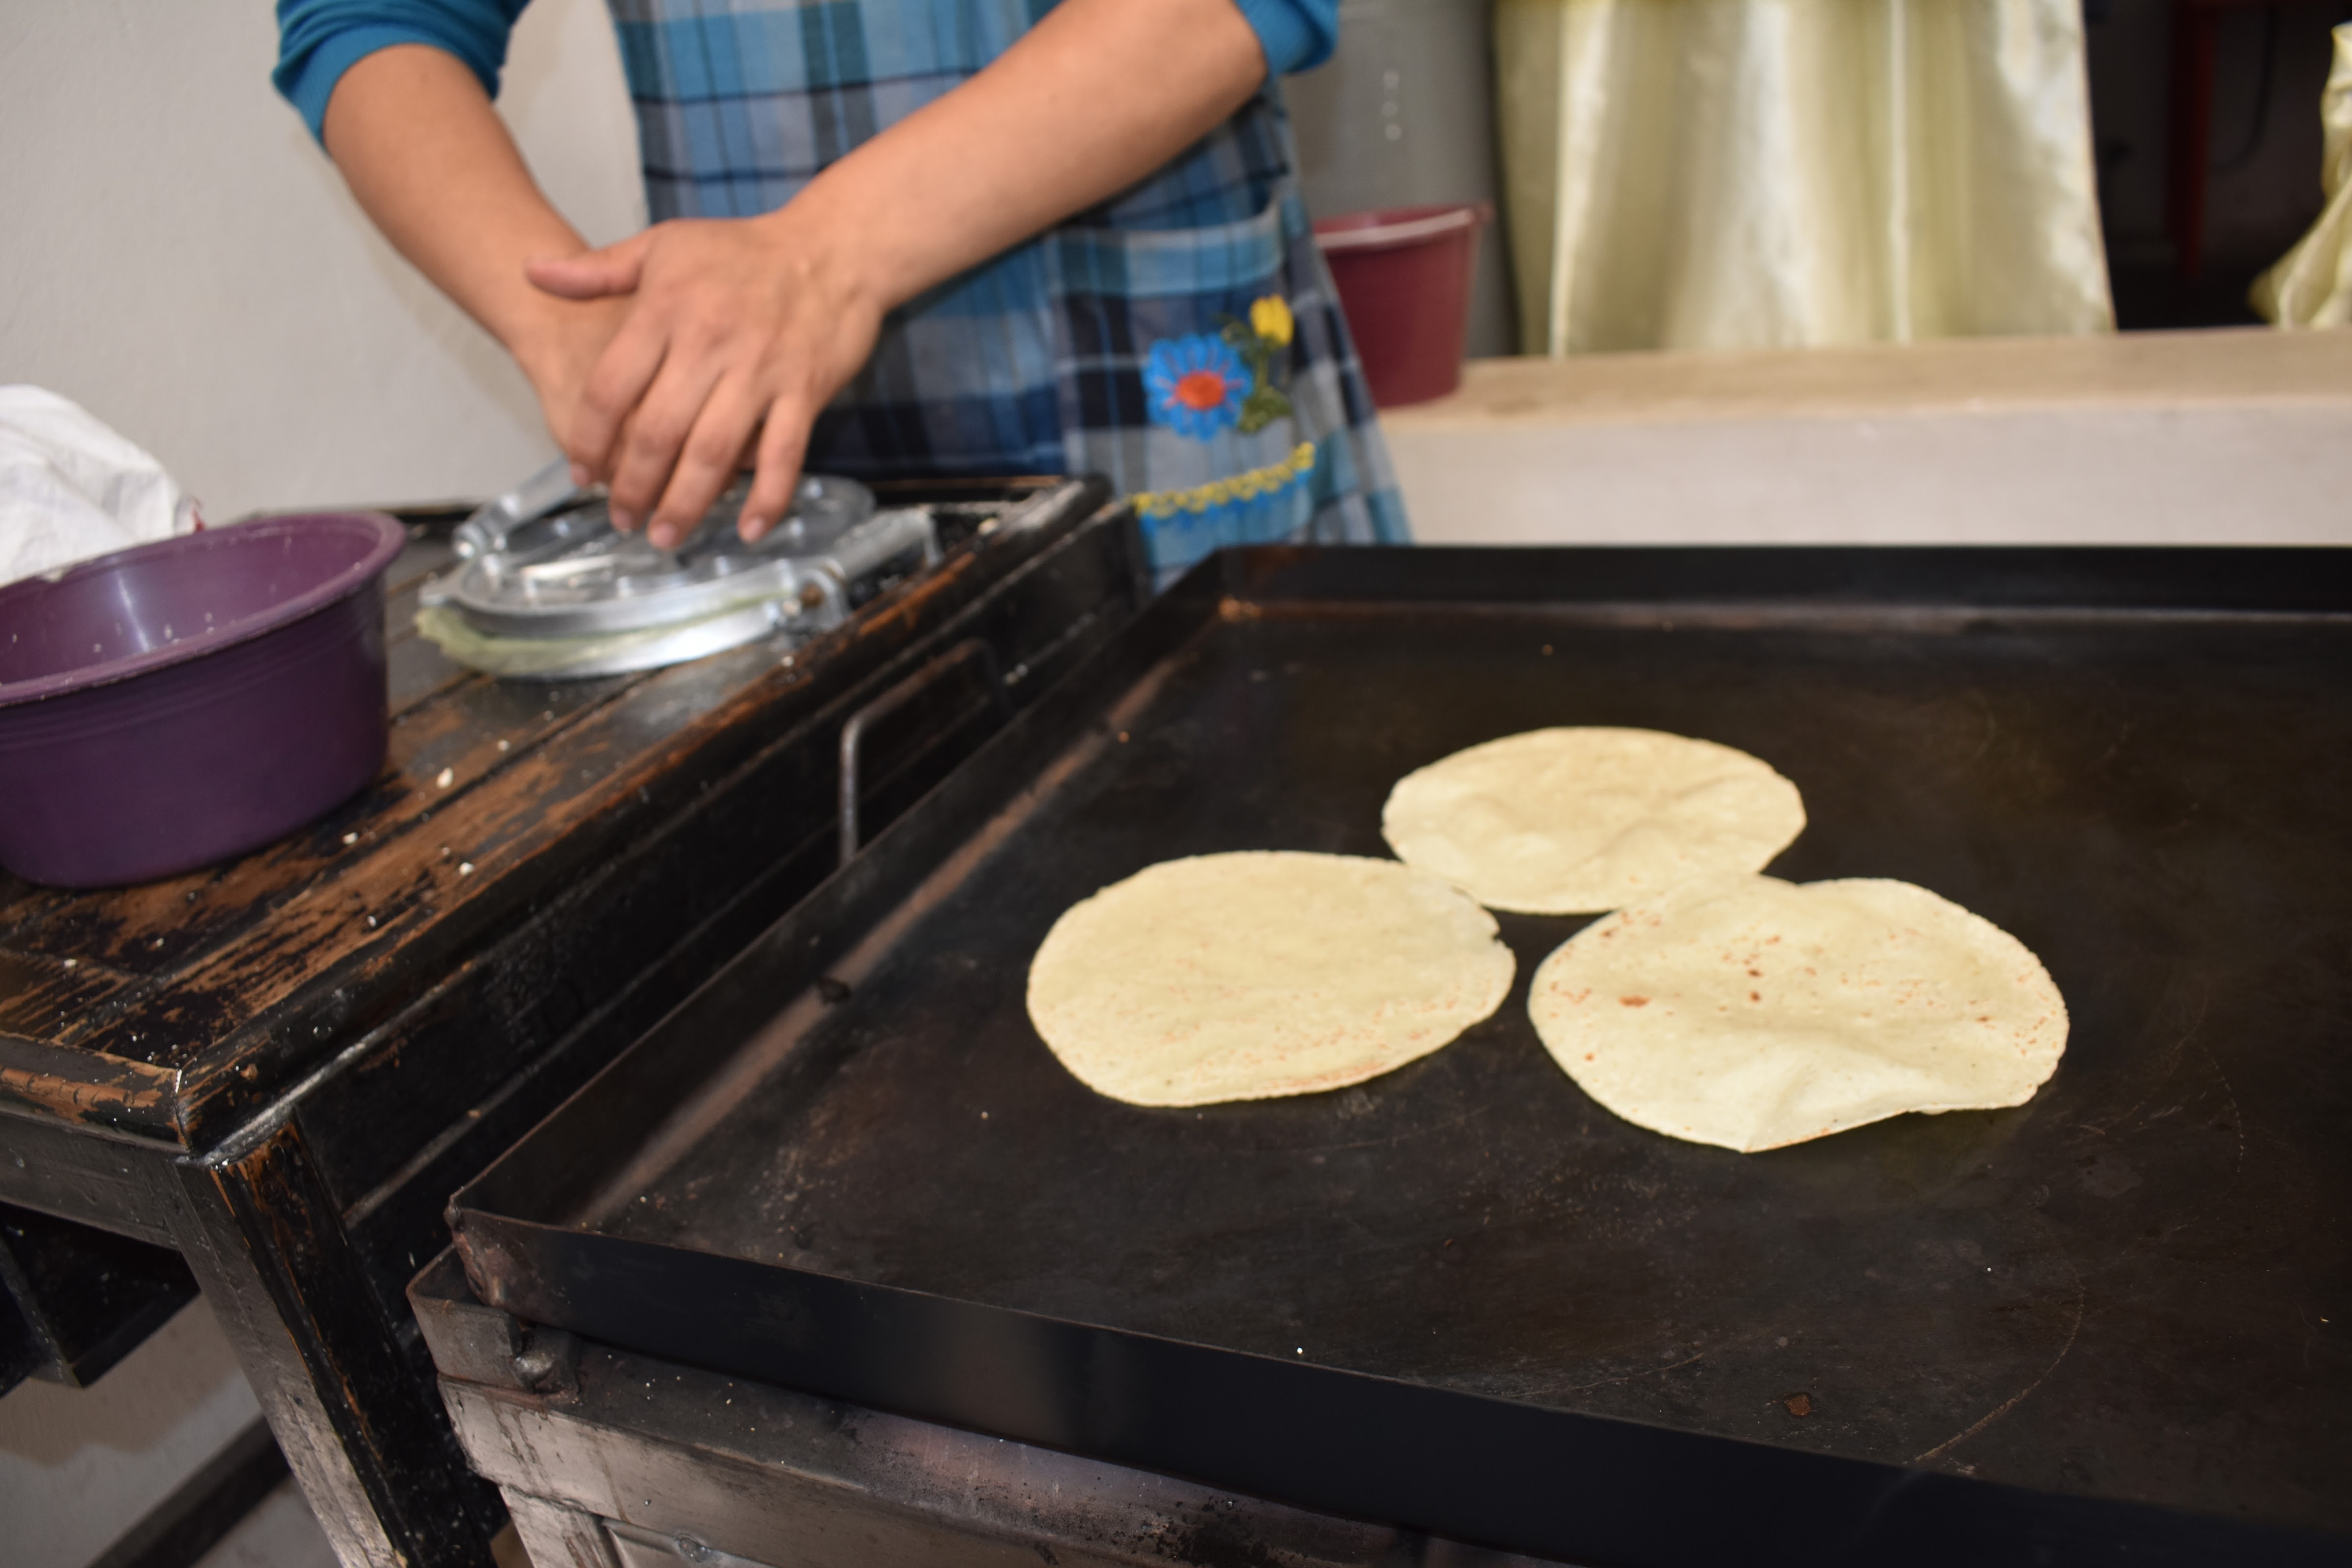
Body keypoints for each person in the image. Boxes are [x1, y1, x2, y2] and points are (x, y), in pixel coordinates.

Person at [274, 0, 1410, 584]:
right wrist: (561, 322)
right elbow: (374, 23)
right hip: (799, 513)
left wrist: (822, 260)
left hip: (1175, 439)